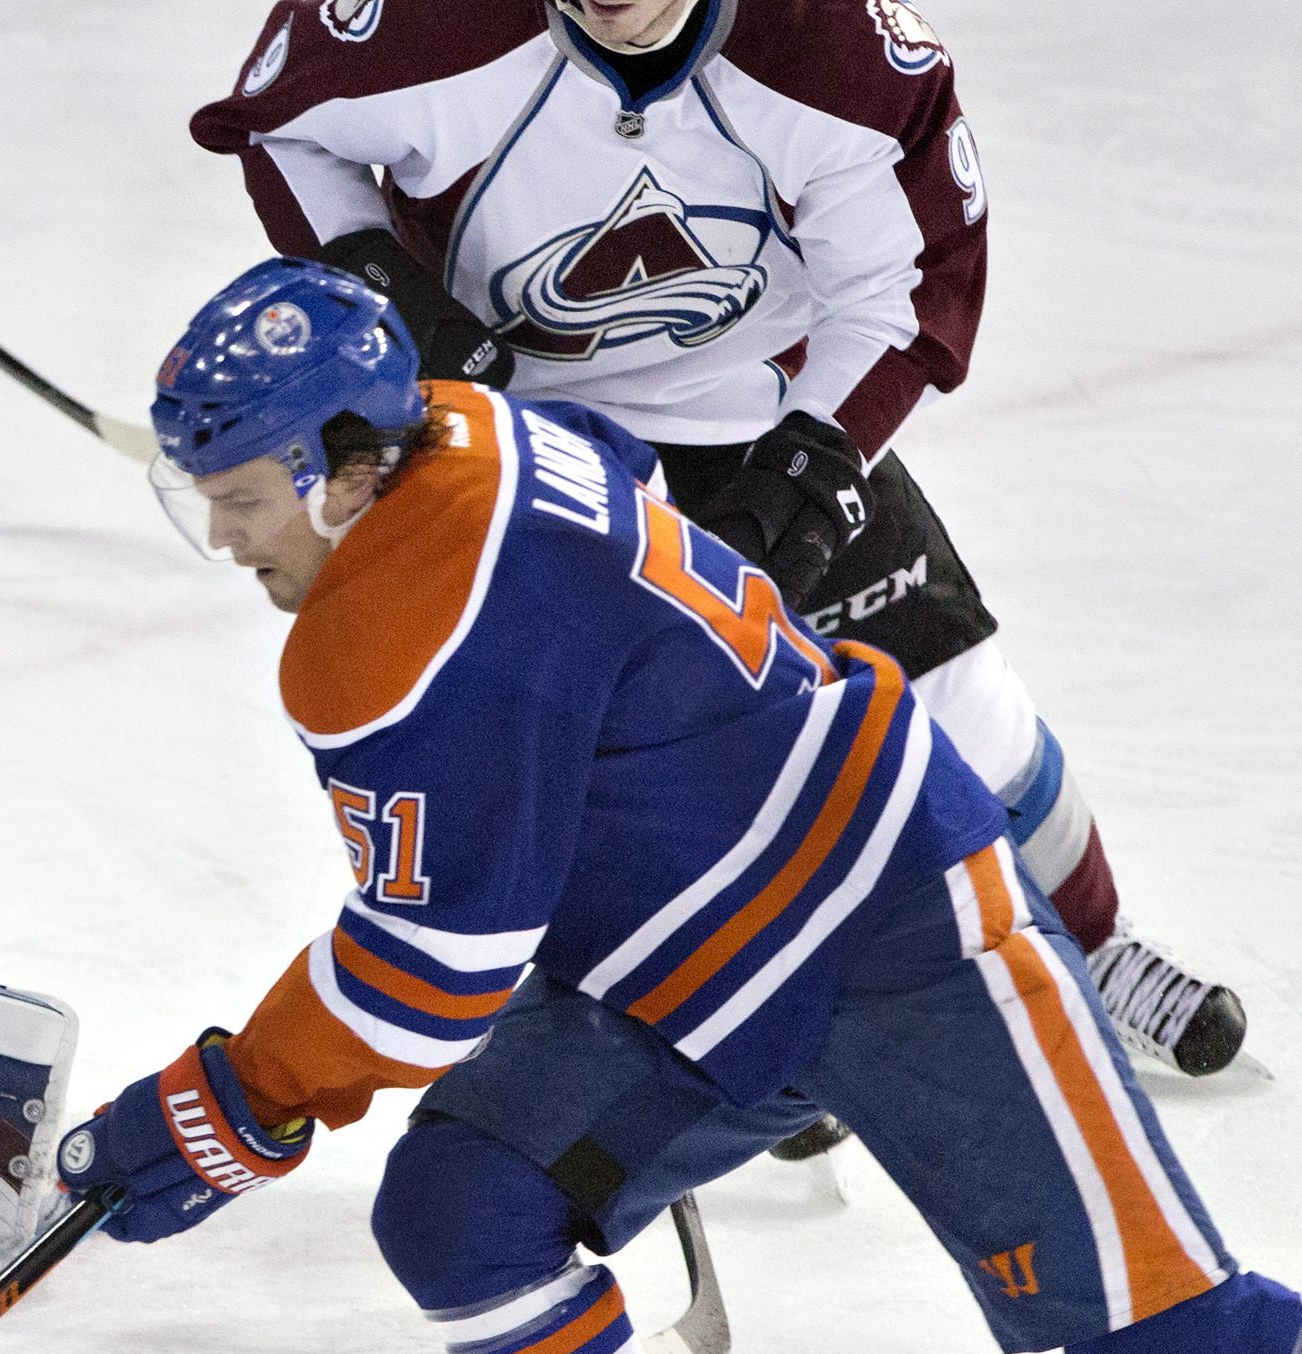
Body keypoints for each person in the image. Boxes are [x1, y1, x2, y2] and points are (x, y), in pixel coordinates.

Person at [57, 259, 1302, 1354]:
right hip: (696, 969)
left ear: (344, 469)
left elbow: (436, 968)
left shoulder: (387, 629)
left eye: (245, 499)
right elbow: (623, 486)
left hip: (893, 926)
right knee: (464, 1209)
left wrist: (235, 1101)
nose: (225, 538)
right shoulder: (473, 425)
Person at [185, 0, 1247, 1090]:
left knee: (962, 702)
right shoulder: (412, 24)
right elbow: (282, 131)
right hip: (528, 449)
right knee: (577, 766)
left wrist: (816, 467)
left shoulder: (834, 46)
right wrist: (387, 282)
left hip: (767, 413)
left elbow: (901, 283)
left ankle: (1096, 940)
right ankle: (729, 1015)